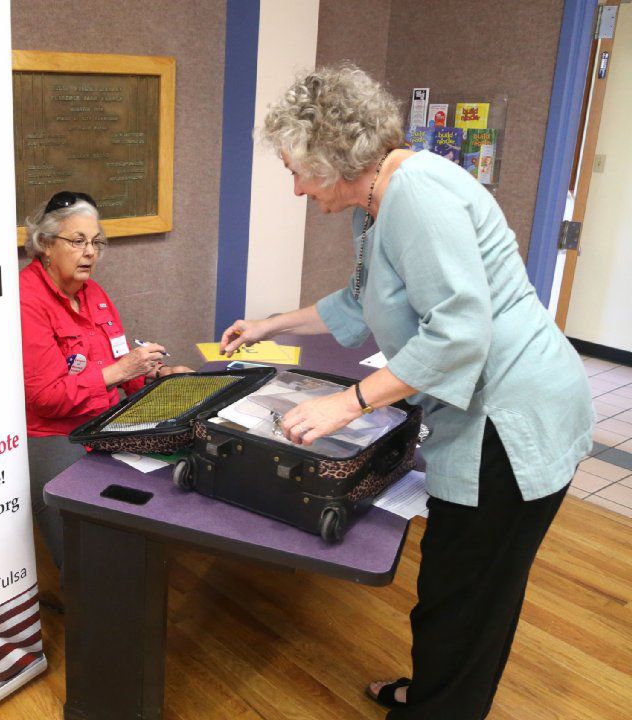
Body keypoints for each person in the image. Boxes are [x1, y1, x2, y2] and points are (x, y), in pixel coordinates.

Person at [220, 65, 592, 719]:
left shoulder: (417, 194)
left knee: (466, 595)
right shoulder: (378, 202)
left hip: (513, 420)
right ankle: (435, 695)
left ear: (335, 157)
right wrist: (270, 324)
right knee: (456, 588)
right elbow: (365, 299)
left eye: (297, 171)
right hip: (488, 413)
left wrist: (349, 401)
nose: (298, 188)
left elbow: (457, 334)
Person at [20, 190, 191, 569]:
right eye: (77, 241)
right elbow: (46, 397)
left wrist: (158, 377)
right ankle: (94, 594)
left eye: (96, 243)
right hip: (53, 432)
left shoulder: (94, 293)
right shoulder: (26, 299)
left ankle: (138, 569)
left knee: (177, 475)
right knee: (87, 537)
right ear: (46, 244)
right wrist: (119, 371)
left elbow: (123, 371)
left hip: (107, 419)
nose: (90, 253)